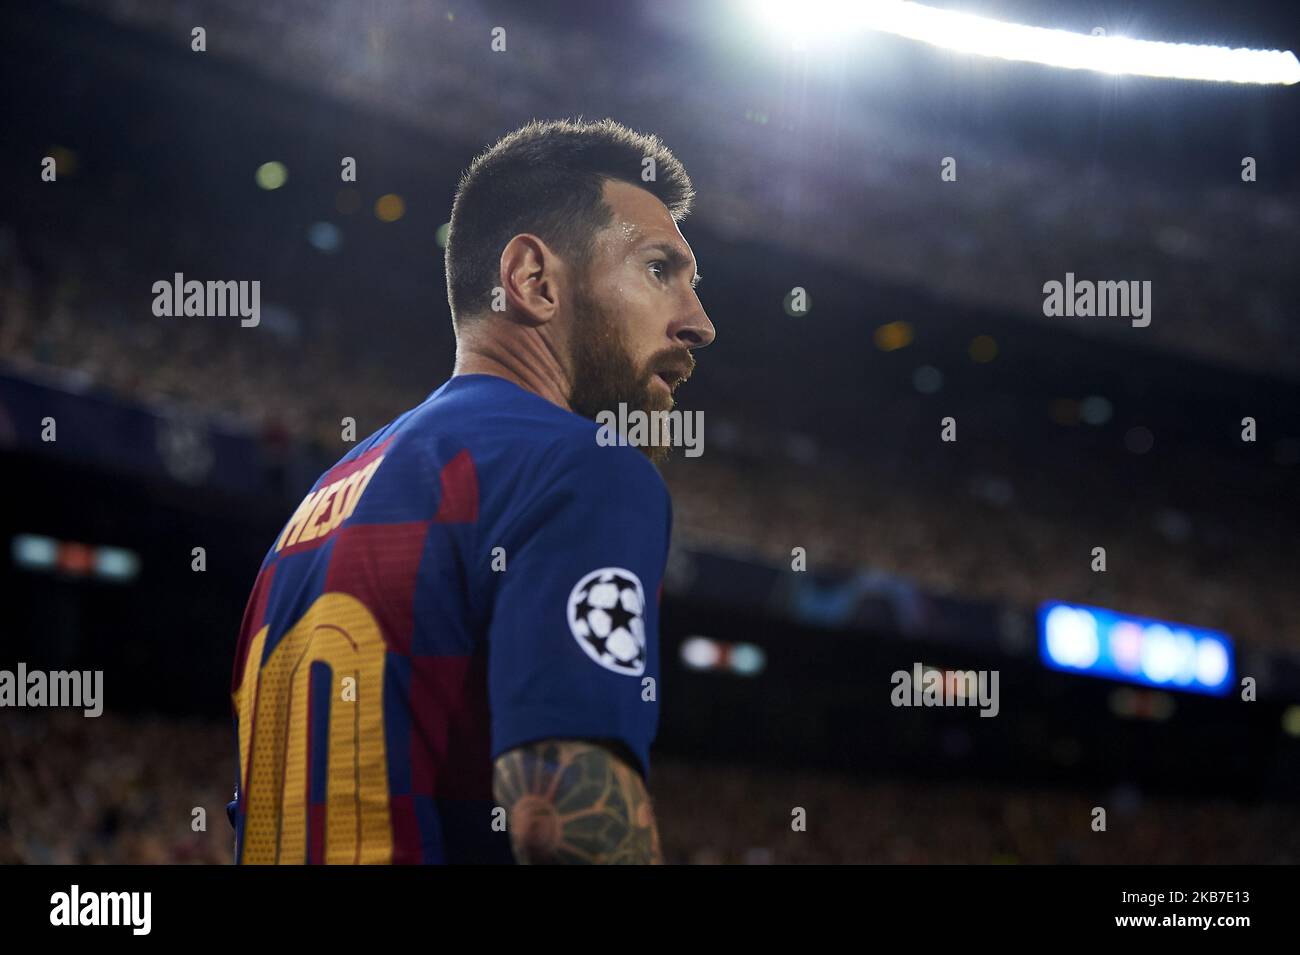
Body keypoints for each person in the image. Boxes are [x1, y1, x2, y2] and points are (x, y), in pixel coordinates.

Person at [229, 118, 715, 864]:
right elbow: (566, 824)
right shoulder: (586, 468)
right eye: (659, 269)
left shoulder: (306, 519)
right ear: (533, 279)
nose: (699, 323)